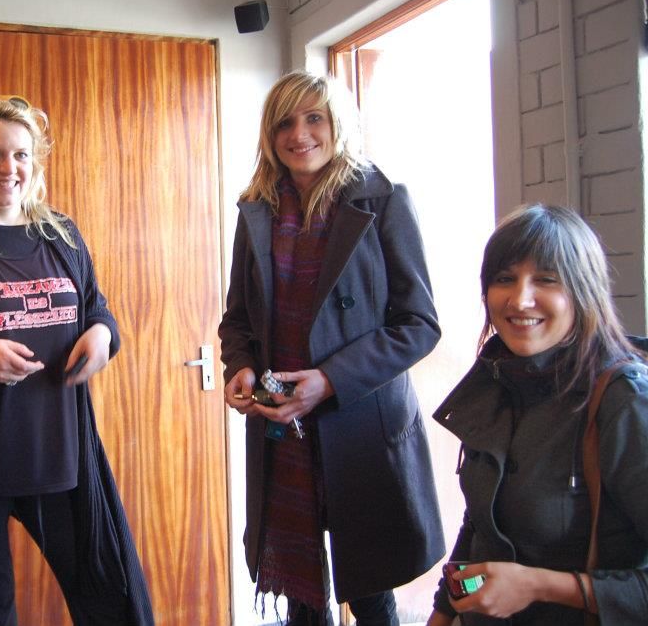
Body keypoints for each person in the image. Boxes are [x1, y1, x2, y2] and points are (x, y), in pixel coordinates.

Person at [0, 94, 152, 626]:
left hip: (61, 457)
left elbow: (97, 309)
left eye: (20, 154)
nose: (8, 168)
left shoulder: (60, 235)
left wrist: (103, 336)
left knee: (113, 598)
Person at [219, 69, 445, 625]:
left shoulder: (383, 200)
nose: (299, 135)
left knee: (371, 595)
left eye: (314, 118)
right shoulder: (256, 211)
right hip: (283, 430)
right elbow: (238, 319)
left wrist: (330, 381)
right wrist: (240, 366)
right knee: (301, 594)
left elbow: (419, 324)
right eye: (285, 123)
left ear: (337, 124)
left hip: (360, 426)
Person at [426, 204, 648, 626]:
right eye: (504, 279)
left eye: (546, 279)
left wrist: (540, 586)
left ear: (583, 291)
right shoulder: (497, 380)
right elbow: (479, 525)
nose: (520, 299)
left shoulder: (623, 402)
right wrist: (440, 615)